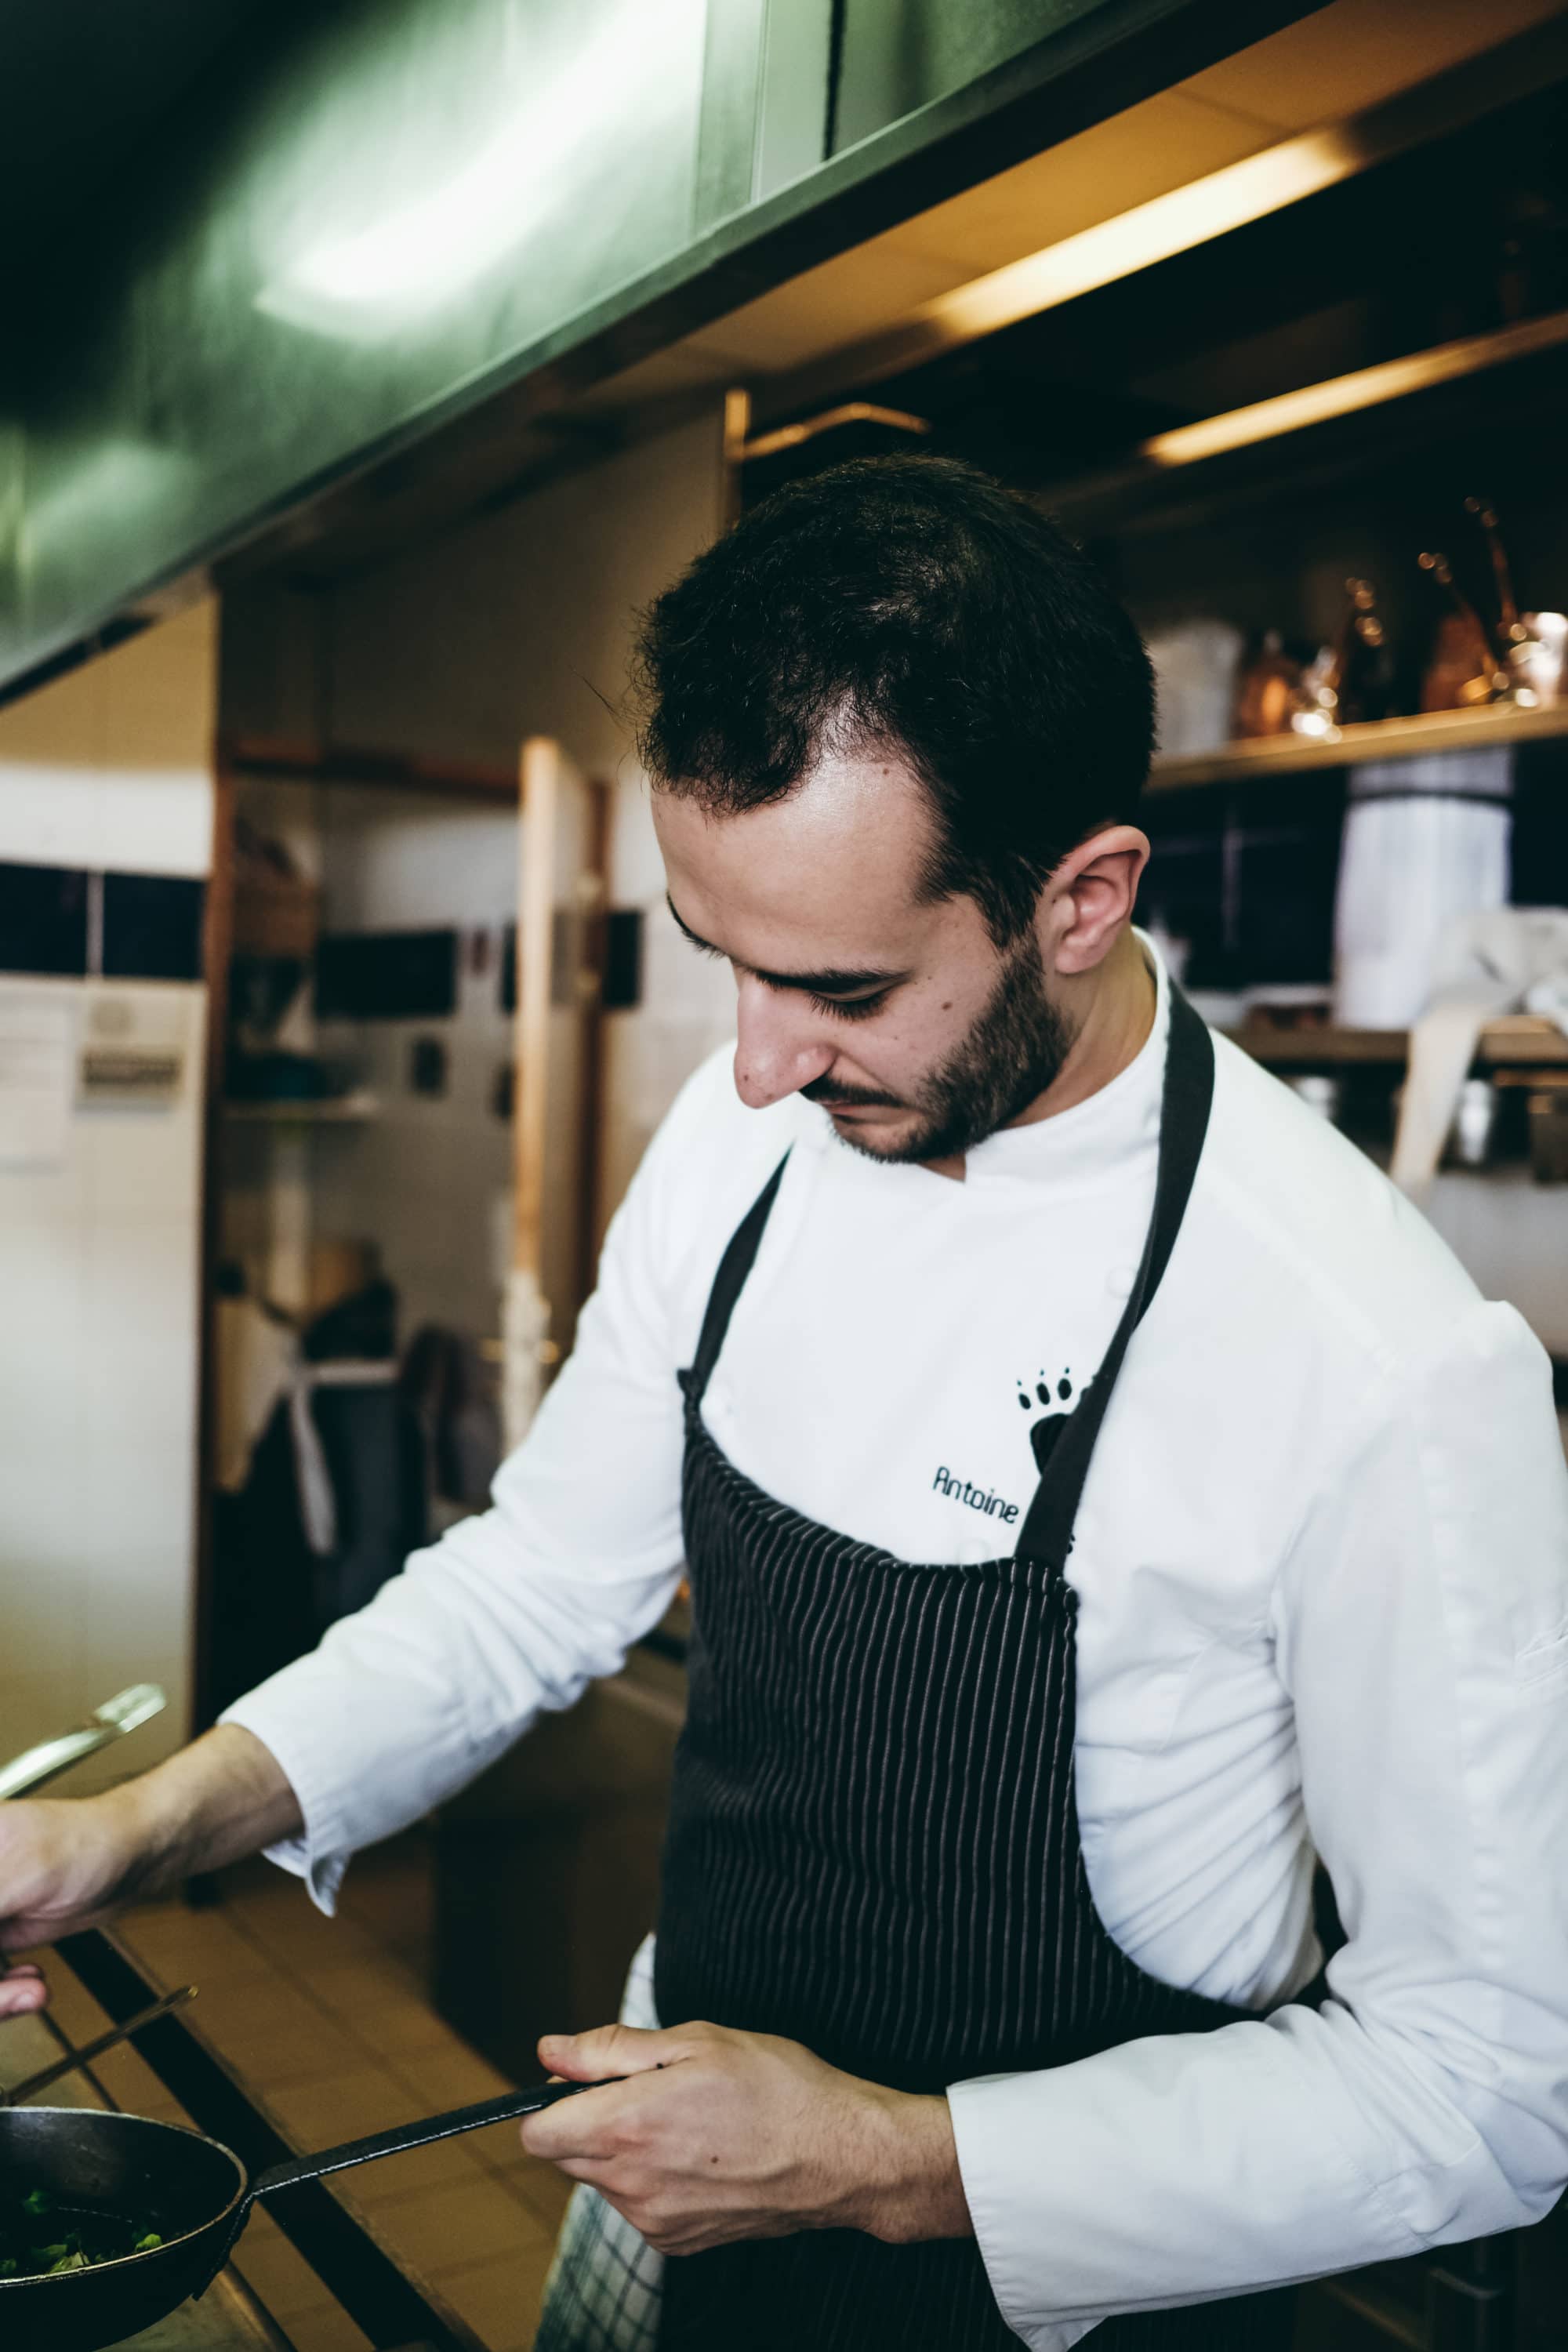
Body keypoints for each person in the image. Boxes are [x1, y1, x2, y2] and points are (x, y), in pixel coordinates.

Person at [5, 457, 1567, 2352]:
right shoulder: (758, 1136)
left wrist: (887, 2158)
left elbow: (1489, 2080)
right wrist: (146, 1827)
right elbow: (534, 1584)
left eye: (835, 984)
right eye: (722, 963)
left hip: (1069, 2294)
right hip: (694, 2222)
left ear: (1080, 898)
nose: (751, 1068)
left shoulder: (1375, 1356)